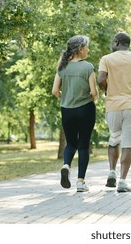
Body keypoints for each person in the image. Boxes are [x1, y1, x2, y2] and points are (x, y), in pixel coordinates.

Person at [98, 32, 131, 193]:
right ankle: (122, 181)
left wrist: (108, 89)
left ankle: (112, 171)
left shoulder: (106, 59)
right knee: (128, 145)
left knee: (114, 139)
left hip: (113, 106)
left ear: (116, 42)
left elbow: (100, 80)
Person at [52, 35, 98, 192]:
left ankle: (66, 165)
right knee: (84, 145)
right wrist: (94, 99)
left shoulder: (62, 67)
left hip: (67, 110)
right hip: (85, 109)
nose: (88, 50)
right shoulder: (88, 67)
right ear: (80, 49)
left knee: (71, 143)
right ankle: (80, 183)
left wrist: (65, 98)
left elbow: (54, 90)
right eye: (87, 47)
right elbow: (94, 92)